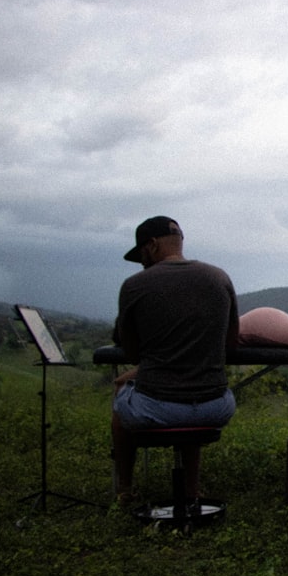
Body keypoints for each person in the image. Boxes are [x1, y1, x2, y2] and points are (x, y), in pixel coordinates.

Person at [110, 216, 238, 505]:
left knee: (122, 396)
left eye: (141, 254)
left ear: (152, 245)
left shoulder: (134, 286)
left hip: (159, 408)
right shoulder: (220, 277)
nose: (141, 262)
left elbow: (131, 353)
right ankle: (191, 490)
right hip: (216, 407)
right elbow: (229, 343)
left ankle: (124, 491)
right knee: (189, 393)